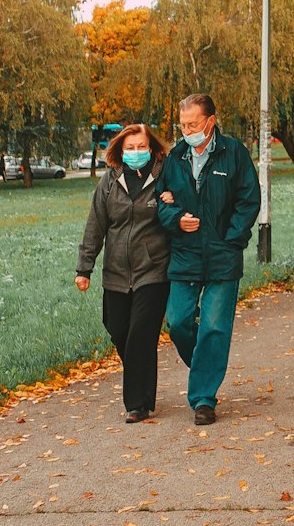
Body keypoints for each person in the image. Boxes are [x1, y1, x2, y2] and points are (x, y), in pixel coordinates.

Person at [156, 93, 261, 426]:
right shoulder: (175, 157)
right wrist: (175, 218)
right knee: (178, 322)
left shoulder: (234, 154)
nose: (187, 130)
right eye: (183, 125)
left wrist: (232, 240)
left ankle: (203, 398)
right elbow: (160, 203)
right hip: (184, 255)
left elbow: (249, 200)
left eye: (193, 124)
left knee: (214, 326)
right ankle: (206, 365)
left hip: (222, 257)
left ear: (211, 121)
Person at [75, 123, 171, 422]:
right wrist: (84, 267)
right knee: (118, 328)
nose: (136, 152)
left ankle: (137, 404)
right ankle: (142, 382)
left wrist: (172, 199)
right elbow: (96, 225)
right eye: (129, 148)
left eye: (141, 147)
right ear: (120, 151)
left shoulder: (164, 177)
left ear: (152, 148)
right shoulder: (109, 182)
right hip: (116, 270)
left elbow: (182, 210)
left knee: (141, 333)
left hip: (153, 269)